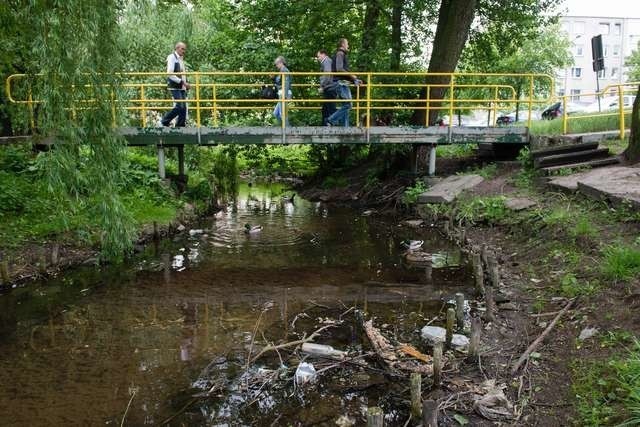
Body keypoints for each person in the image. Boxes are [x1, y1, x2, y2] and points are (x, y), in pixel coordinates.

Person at [326, 38, 361, 127]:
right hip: (341, 83)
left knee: (346, 105)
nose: (348, 46)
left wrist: (354, 80)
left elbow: (342, 70)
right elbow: (339, 69)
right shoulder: (340, 54)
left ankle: (345, 127)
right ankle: (331, 120)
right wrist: (352, 76)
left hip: (343, 82)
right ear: (342, 44)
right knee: (348, 105)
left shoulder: (341, 54)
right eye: (347, 44)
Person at [161, 42, 191, 127]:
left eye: (184, 49)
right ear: (177, 48)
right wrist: (182, 82)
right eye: (182, 49)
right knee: (180, 106)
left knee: (184, 108)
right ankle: (164, 121)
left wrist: (186, 84)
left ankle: (180, 126)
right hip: (175, 86)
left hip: (182, 87)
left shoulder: (180, 59)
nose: (184, 51)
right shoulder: (172, 57)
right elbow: (170, 73)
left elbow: (182, 73)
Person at [316, 49, 336, 126]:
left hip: (329, 87)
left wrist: (322, 86)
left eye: (319, 56)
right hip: (329, 87)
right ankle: (325, 125)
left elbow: (327, 74)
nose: (318, 58)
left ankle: (331, 124)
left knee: (330, 108)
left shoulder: (326, 61)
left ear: (323, 54)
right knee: (326, 108)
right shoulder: (327, 61)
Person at [272, 56, 292, 127]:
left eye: (276, 64)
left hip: (283, 93)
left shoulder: (285, 70)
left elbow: (286, 84)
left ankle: (289, 132)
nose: (276, 66)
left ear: (281, 63)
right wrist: (273, 78)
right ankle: (283, 130)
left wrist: (285, 96)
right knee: (276, 113)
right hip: (282, 93)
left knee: (282, 114)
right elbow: (279, 83)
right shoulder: (281, 71)